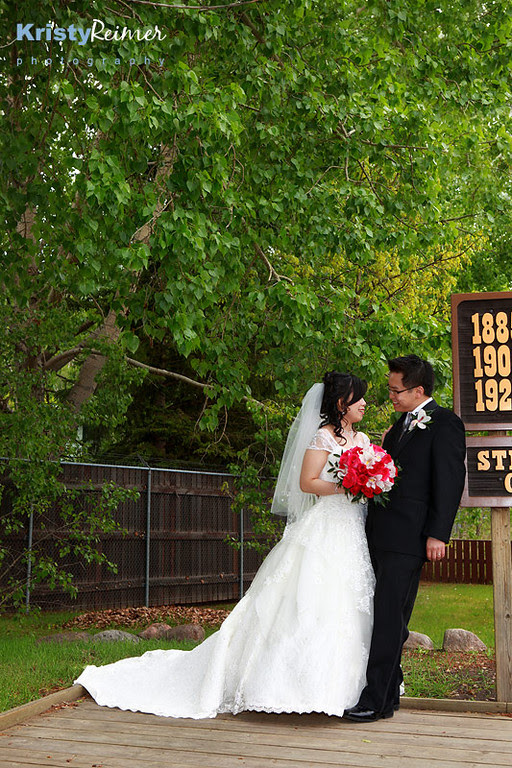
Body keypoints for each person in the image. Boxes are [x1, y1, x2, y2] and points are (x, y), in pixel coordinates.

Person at [75, 372, 376, 718]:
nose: (364, 404)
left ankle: (345, 687)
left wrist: (369, 483)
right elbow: (307, 483)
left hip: (351, 528)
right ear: (341, 403)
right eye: (358, 398)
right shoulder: (322, 437)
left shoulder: (363, 439)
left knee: (347, 599)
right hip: (323, 528)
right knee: (310, 597)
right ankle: (287, 686)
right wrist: (345, 486)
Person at [344, 355, 466, 723]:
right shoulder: (399, 425)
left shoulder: (446, 423)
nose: (391, 396)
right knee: (390, 617)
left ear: (419, 390)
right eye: (390, 389)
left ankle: (375, 700)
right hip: (382, 533)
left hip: (410, 538)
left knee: (389, 617)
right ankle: (389, 693)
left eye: (397, 390)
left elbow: (449, 483)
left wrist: (438, 534)